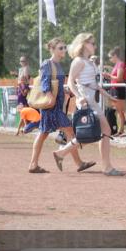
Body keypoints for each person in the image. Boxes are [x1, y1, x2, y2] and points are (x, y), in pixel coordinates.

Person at [26, 38, 93, 174]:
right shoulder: (47, 64)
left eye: (64, 48)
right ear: (52, 49)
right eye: (60, 48)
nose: (63, 50)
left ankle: (34, 164)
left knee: (46, 133)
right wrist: (50, 98)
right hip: (51, 106)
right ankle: (76, 162)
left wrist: (66, 91)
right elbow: (45, 83)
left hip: (55, 106)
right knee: (67, 132)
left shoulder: (58, 65)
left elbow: (55, 84)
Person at [58, 33, 122, 176]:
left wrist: (109, 96)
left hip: (93, 100)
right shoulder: (78, 61)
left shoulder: (89, 62)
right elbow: (70, 82)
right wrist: (79, 97)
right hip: (87, 101)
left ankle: (61, 152)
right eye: (92, 43)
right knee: (104, 131)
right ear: (84, 44)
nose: (95, 46)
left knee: (93, 134)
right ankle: (107, 167)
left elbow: (95, 85)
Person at [108, 46, 126, 136]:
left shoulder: (120, 64)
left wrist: (108, 76)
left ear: (115, 56)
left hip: (119, 89)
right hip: (114, 89)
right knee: (119, 111)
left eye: (110, 57)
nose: (110, 59)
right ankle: (121, 130)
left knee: (123, 111)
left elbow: (119, 78)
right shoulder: (117, 65)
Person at [15, 56, 32, 135]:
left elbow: (24, 93)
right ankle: (25, 128)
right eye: (21, 61)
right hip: (20, 100)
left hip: (23, 98)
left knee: (23, 115)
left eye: (23, 61)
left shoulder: (27, 69)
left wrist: (21, 87)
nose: (22, 62)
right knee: (23, 115)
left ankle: (22, 129)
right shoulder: (20, 70)